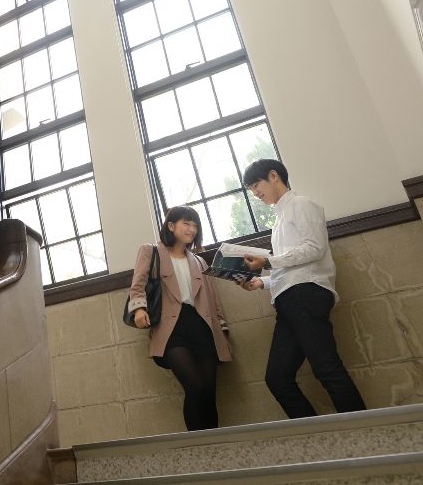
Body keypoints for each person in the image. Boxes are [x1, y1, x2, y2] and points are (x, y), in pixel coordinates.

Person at [240, 159, 366, 418]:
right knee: (277, 378)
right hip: (288, 299)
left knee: (326, 367)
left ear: (274, 175)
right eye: (251, 189)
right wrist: (262, 282)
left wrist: (268, 261)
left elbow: (315, 248)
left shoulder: (302, 204)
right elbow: (289, 270)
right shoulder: (279, 221)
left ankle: (368, 432)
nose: (255, 193)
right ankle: (319, 434)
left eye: (256, 185)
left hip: (306, 294)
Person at [128, 206, 231, 431]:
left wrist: (222, 329)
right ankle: (197, 445)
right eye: (186, 223)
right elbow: (138, 283)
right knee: (195, 387)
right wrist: (139, 309)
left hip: (202, 326)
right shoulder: (151, 251)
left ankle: (216, 444)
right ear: (171, 225)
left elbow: (212, 298)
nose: (192, 229)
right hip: (172, 328)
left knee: (209, 391)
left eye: (195, 225)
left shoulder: (200, 262)